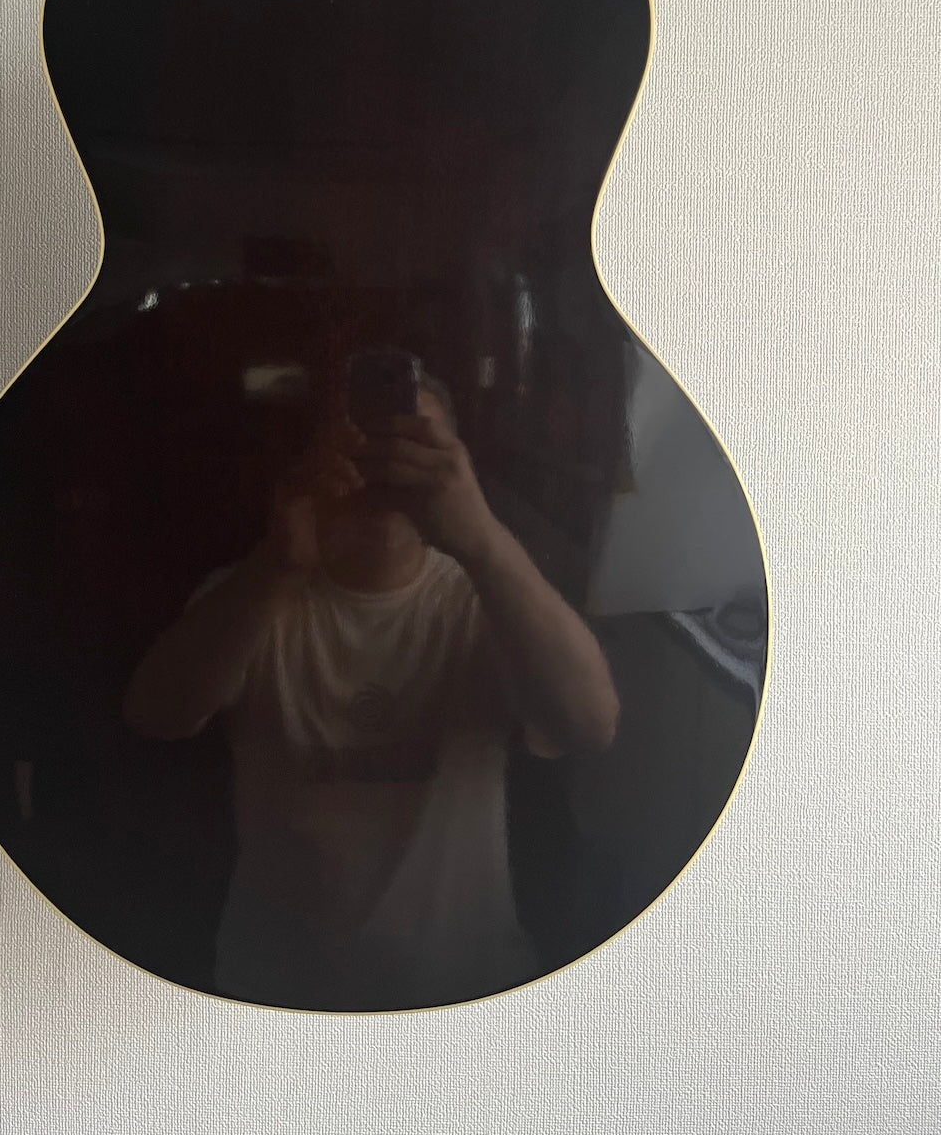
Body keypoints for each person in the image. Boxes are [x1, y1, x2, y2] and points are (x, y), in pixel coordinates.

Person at [123, 367, 620, 1011]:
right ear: (315, 461)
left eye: (416, 447)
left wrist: (481, 538)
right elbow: (157, 716)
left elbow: (591, 725)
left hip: (469, 985)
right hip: (278, 991)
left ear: (458, 467)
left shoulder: (485, 598)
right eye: (364, 446)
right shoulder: (252, 596)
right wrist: (279, 561)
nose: (389, 470)